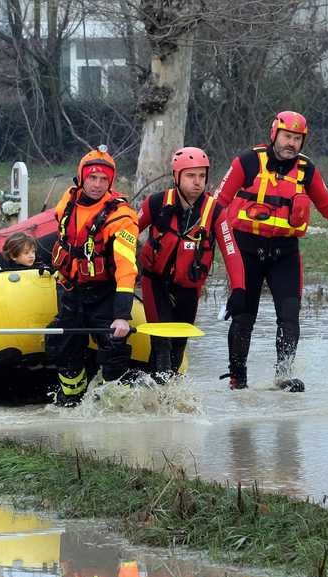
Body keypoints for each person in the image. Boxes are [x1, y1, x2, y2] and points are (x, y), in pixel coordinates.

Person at [214, 112, 328, 391]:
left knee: (289, 314)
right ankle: (238, 378)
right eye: (287, 137)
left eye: (297, 139)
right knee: (244, 316)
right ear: (274, 134)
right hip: (246, 250)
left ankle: (283, 375)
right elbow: (217, 203)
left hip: (284, 253)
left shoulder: (306, 170)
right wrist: (201, 236)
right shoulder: (248, 161)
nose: (291, 143)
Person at [138, 147, 245, 378]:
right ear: (176, 176)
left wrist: (238, 289)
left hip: (189, 288)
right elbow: (125, 235)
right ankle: (160, 399)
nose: (197, 182)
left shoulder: (216, 211)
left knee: (177, 351)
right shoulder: (155, 203)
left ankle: (159, 399)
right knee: (163, 346)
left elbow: (231, 250)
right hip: (155, 282)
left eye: (202, 176)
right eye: (190, 175)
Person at [46, 146, 140, 406]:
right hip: (70, 289)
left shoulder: (122, 218)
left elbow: (126, 267)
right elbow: (61, 237)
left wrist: (122, 315)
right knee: (64, 347)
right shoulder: (68, 200)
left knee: (114, 348)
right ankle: (72, 399)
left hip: (104, 293)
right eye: (92, 178)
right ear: (81, 178)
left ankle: (116, 403)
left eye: (103, 180)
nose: (97, 185)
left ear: (111, 182)